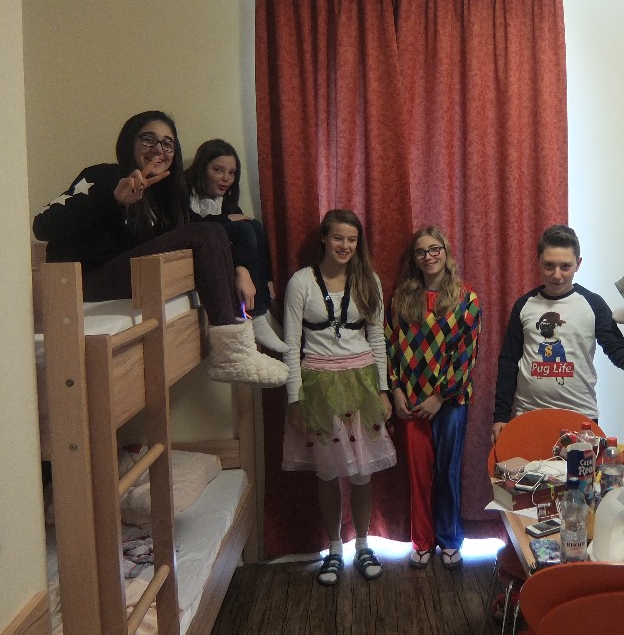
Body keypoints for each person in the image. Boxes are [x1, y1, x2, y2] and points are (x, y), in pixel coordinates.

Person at [32, 110, 287, 387]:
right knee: (208, 232)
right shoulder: (104, 176)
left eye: (168, 143)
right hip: (83, 280)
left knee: (225, 229)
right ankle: (233, 354)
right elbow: (42, 226)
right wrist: (113, 200)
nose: (158, 149)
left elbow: (201, 229)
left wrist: (242, 268)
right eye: (148, 139)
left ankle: (245, 334)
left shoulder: (166, 197)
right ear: (130, 142)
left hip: (129, 274)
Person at [281, 208, 396, 587]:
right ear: (324, 239)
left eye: (351, 239)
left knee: (363, 473)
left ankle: (363, 544)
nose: (345, 246)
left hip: (362, 384)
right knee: (327, 472)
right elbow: (291, 344)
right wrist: (294, 399)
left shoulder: (368, 280)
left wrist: (383, 390)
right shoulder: (302, 282)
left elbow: (377, 338)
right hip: (318, 387)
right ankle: (334, 548)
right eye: (338, 238)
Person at [386, 227, 481, 571]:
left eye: (434, 249)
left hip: (450, 402)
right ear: (414, 259)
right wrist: (396, 389)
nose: (429, 257)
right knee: (418, 475)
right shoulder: (401, 298)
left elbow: (466, 354)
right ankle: (422, 541)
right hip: (412, 401)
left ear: (445, 251)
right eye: (421, 252)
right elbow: (390, 347)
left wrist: (440, 396)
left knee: (447, 472)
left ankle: (450, 539)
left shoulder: (466, 299)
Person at [492, 225, 624, 443]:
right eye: (549, 265)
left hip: (580, 417)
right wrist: (501, 416)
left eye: (565, 266)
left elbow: (617, 350)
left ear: (578, 264)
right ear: (538, 262)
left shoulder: (593, 304)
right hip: (528, 415)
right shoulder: (524, 305)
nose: (557, 275)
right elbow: (509, 361)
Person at [186, 139, 288, 353]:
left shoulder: (225, 201)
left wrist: (267, 280)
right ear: (202, 168)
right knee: (242, 229)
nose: (226, 179)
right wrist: (225, 220)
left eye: (232, 173)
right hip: (196, 248)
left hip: (219, 249)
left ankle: (263, 309)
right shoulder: (185, 192)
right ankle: (256, 316)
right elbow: (189, 226)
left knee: (253, 226)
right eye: (218, 170)